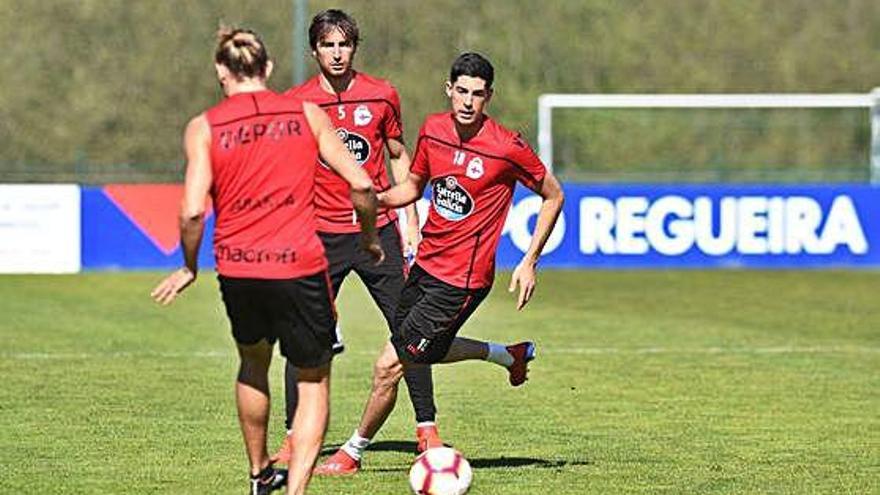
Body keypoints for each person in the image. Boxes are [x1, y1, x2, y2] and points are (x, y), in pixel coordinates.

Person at [149, 27, 382, 495]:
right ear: (269, 67)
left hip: (238, 268)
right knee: (313, 380)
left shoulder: (204, 126)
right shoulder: (308, 114)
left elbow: (193, 209)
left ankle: (259, 474)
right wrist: (370, 238)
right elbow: (362, 184)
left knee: (253, 364)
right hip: (299, 265)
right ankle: (294, 491)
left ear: (220, 71)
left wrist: (190, 265)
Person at [315, 52, 565, 474]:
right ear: (449, 90)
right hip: (424, 268)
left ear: (490, 97)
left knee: (391, 362)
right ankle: (509, 355)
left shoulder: (507, 147)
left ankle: (351, 452)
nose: (468, 101)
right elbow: (412, 186)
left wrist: (530, 260)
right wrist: (376, 201)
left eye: (478, 94)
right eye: (462, 91)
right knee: (422, 350)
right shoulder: (433, 130)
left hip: (462, 280)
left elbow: (553, 194)